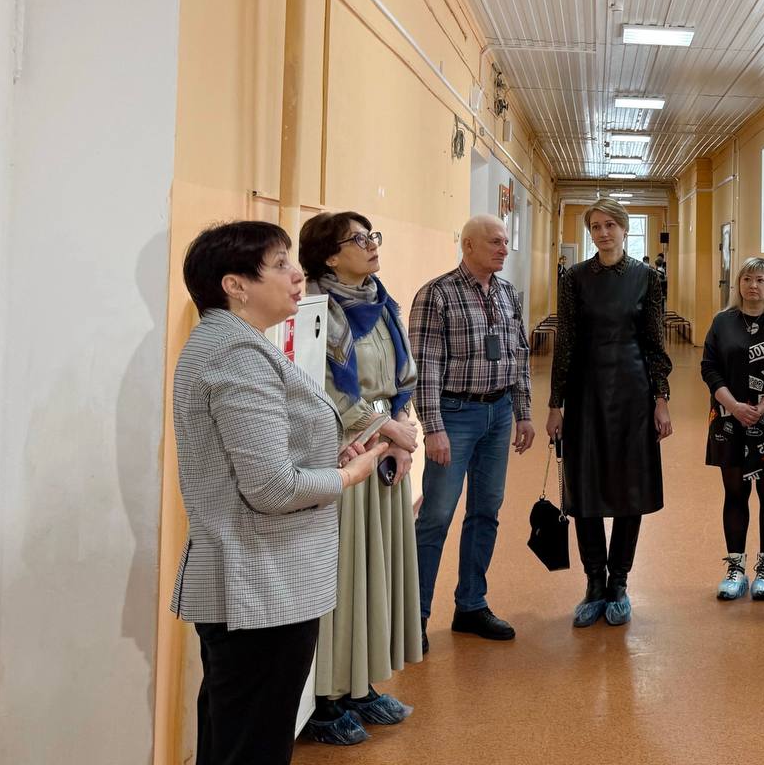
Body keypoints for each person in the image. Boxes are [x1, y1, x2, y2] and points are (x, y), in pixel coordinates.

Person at [170, 221, 388, 765]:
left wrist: (327, 456)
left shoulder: (233, 343)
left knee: (232, 736)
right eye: (280, 265)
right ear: (235, 285)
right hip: (260, 585)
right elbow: (272, 488)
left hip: (256, 580)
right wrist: (347, 476)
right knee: (253, 744)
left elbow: (261, 457)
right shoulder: (237, 354)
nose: (297, 276)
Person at [297, 211, 423, 746]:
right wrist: (386, 429)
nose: (371, 245)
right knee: (346, 573)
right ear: (329, 256)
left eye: (372, 236)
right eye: (358, 239)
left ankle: (360, 685)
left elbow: (399, 377)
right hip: (344, 457)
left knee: (378, 570)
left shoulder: (383, 304)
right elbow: (322, 389)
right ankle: (327, 697)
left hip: (384, 455)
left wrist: (400, 434)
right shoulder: (315, 312)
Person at [410, 215, 536, 649]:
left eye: (505, 241)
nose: (503, 249)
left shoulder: (507, 293)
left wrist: (522, 412)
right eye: (495, 242)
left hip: (498, 414)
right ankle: (414, 617)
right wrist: (433, 427)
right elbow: (425, 364)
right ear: (468, 245)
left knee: (486, 512)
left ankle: (470, 605)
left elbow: (519, 355)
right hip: (455, 414)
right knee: (436, 517)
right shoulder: (437, 294)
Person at [546, 198, 673, 627]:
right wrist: (555, 403)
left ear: (624, 228)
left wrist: (661, 398)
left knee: (628, 488)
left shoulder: (647, 278)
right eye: (595, 227)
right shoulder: (575, 278)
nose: (603, 233)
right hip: (585, 391)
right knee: (585, 490)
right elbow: (565, 343)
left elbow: (655, 343)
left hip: (634, 393)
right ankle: (594, 583)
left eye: (610, 225)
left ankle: (619, 582)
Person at [701, 257, 764, 601]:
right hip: (729, 421)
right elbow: (709, 367)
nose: (753, 286)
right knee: (735, 494)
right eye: (747, 279)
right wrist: (734, 406)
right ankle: (735, 569)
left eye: (760, 279)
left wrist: (762, 406)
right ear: (738, 284)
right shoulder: (723, 321)